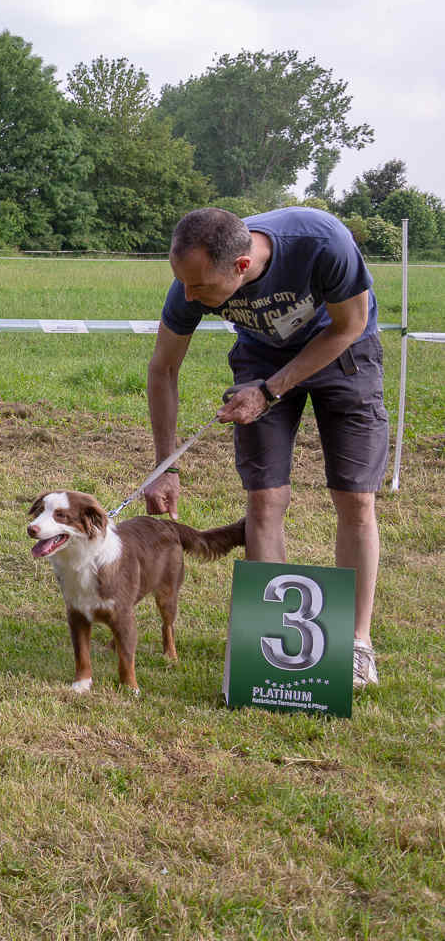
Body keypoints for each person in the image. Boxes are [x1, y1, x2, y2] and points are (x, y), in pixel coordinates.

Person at [144, 206, 388, 690]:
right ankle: (272, 643)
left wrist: (271, 390)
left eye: (200, 288)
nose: (189, 297)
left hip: (343, 351)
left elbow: (349, 325)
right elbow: (163, 369)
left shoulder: (322, 244)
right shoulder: (191, 281)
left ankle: (356, 645)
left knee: (355, 498)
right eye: (183, 284)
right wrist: (165, 465)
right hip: (259, 356)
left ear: (241, 266)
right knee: (264, 498)